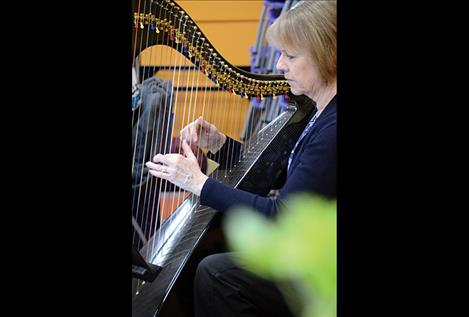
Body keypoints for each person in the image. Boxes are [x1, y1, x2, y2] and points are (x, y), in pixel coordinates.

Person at [145, 1, 336, 316]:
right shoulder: (321, 112)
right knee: (209, 253)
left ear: (327, 55)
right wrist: (220, 143)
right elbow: (281, 177)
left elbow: (281, 217)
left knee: (217, 273)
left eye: (290, 55)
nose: (279, 66)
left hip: (322, 265)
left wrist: (196, 182)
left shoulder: (332, 128)